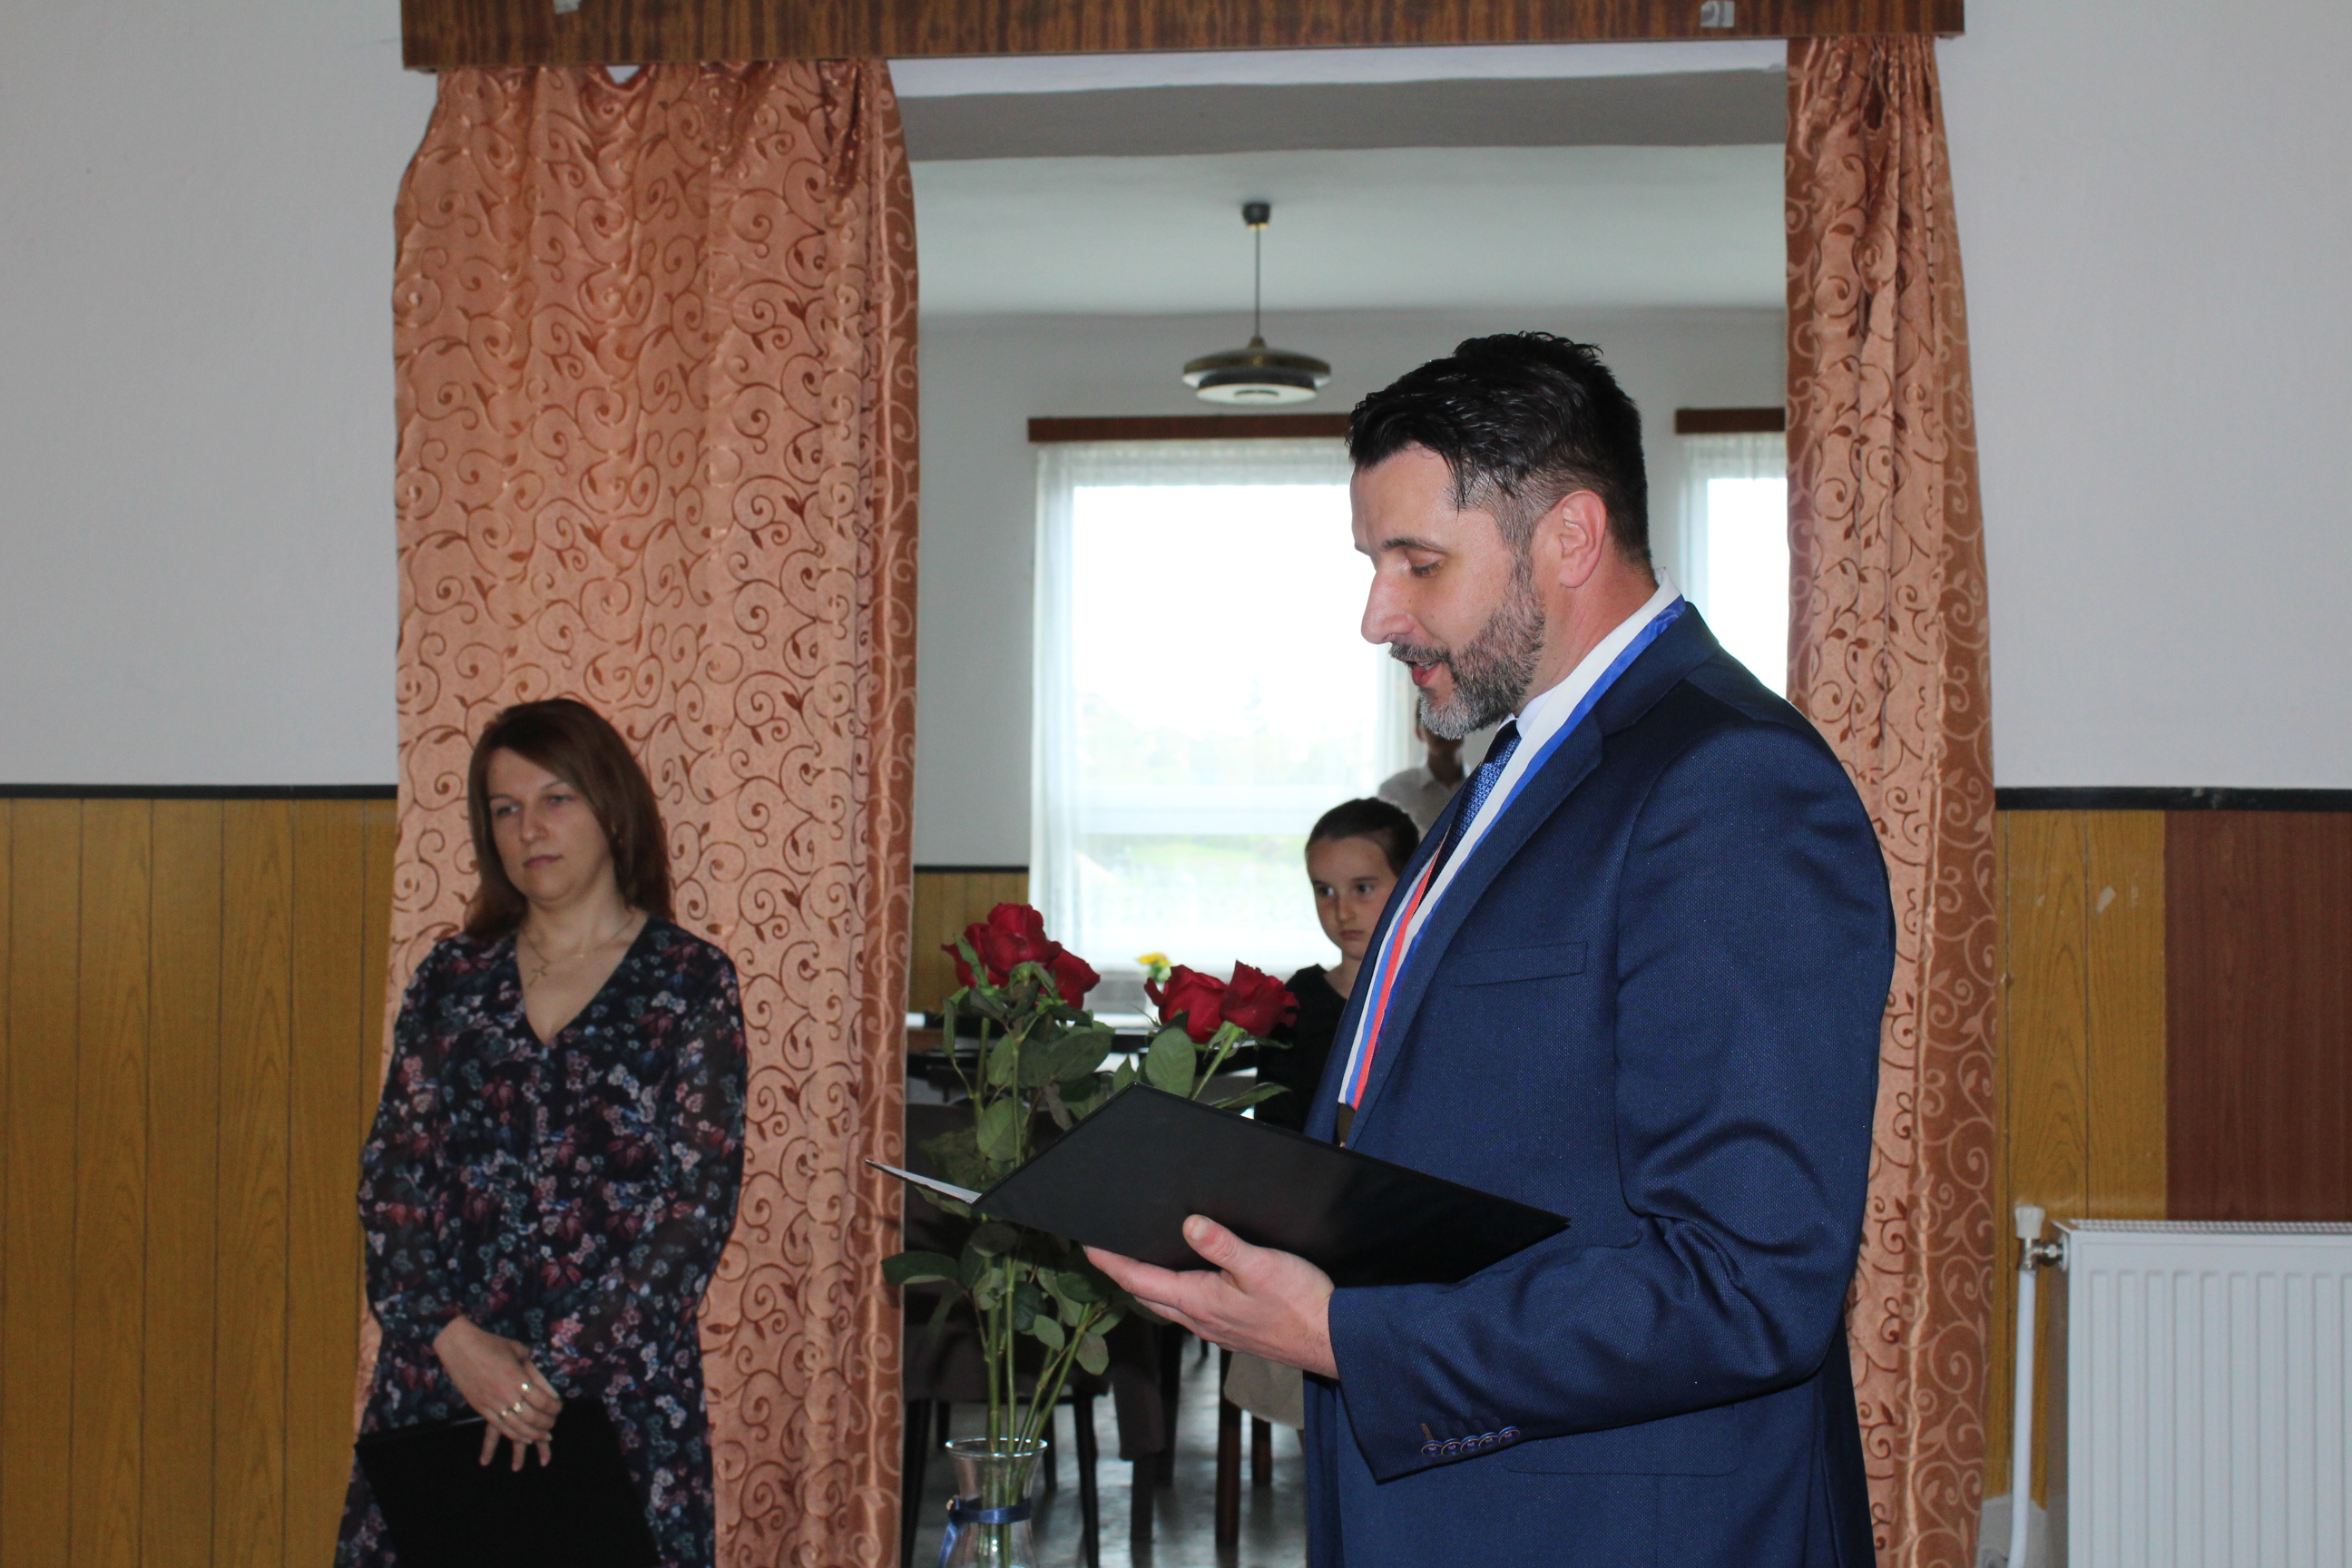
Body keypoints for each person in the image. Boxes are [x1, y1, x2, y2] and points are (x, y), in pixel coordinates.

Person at [1088, 333, 1894, 1566]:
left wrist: (1352, 1337)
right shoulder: (1528, 759)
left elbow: (1747, 1278)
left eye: (1419, 563)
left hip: (1621, 1529)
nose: (1378, 615)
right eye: (1373, 564)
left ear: (1569, 538)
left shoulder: (1730, 781)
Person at [338, 699, 748, 1568]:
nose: (530, 828)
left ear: (612, 809)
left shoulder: (689, 980)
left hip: (617, 1395)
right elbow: (390, 1181)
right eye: (506, 808)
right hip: (445, 1381)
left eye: (556, 798)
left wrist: (546, 1376)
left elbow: (696, 1209)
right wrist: (457, 1344)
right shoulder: (451, 978)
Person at [1256, 798, 1419, 1135]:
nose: (1342, 911)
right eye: (1325, 890)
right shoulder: (1298, 1001)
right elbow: (1274, 1127)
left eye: (1363, 888)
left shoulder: (1436, 995)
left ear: (1414, 883)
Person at [1374, 720, 1465, 833]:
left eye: (1451, 720)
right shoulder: (1393, 791)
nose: (1442, 729)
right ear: (1419, 732)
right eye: (1433, 722)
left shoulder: (1482, 786)